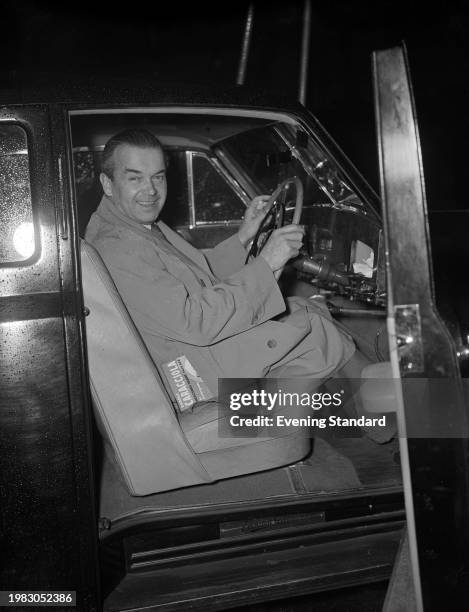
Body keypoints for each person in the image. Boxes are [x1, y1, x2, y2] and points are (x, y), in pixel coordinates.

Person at [85, 128, 356, 409]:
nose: (150, 190)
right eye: (134, 178)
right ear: (107, 183)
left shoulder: (135, 224)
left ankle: (361, 420)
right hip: (192, 373)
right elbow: (194, 321)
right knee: (317, 331)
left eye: (158, 176)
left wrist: (244, 236)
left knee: (304, 309)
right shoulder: (119, 247)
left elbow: (197, 273)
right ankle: (265, 424)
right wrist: (267, 263)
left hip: (190, 351)